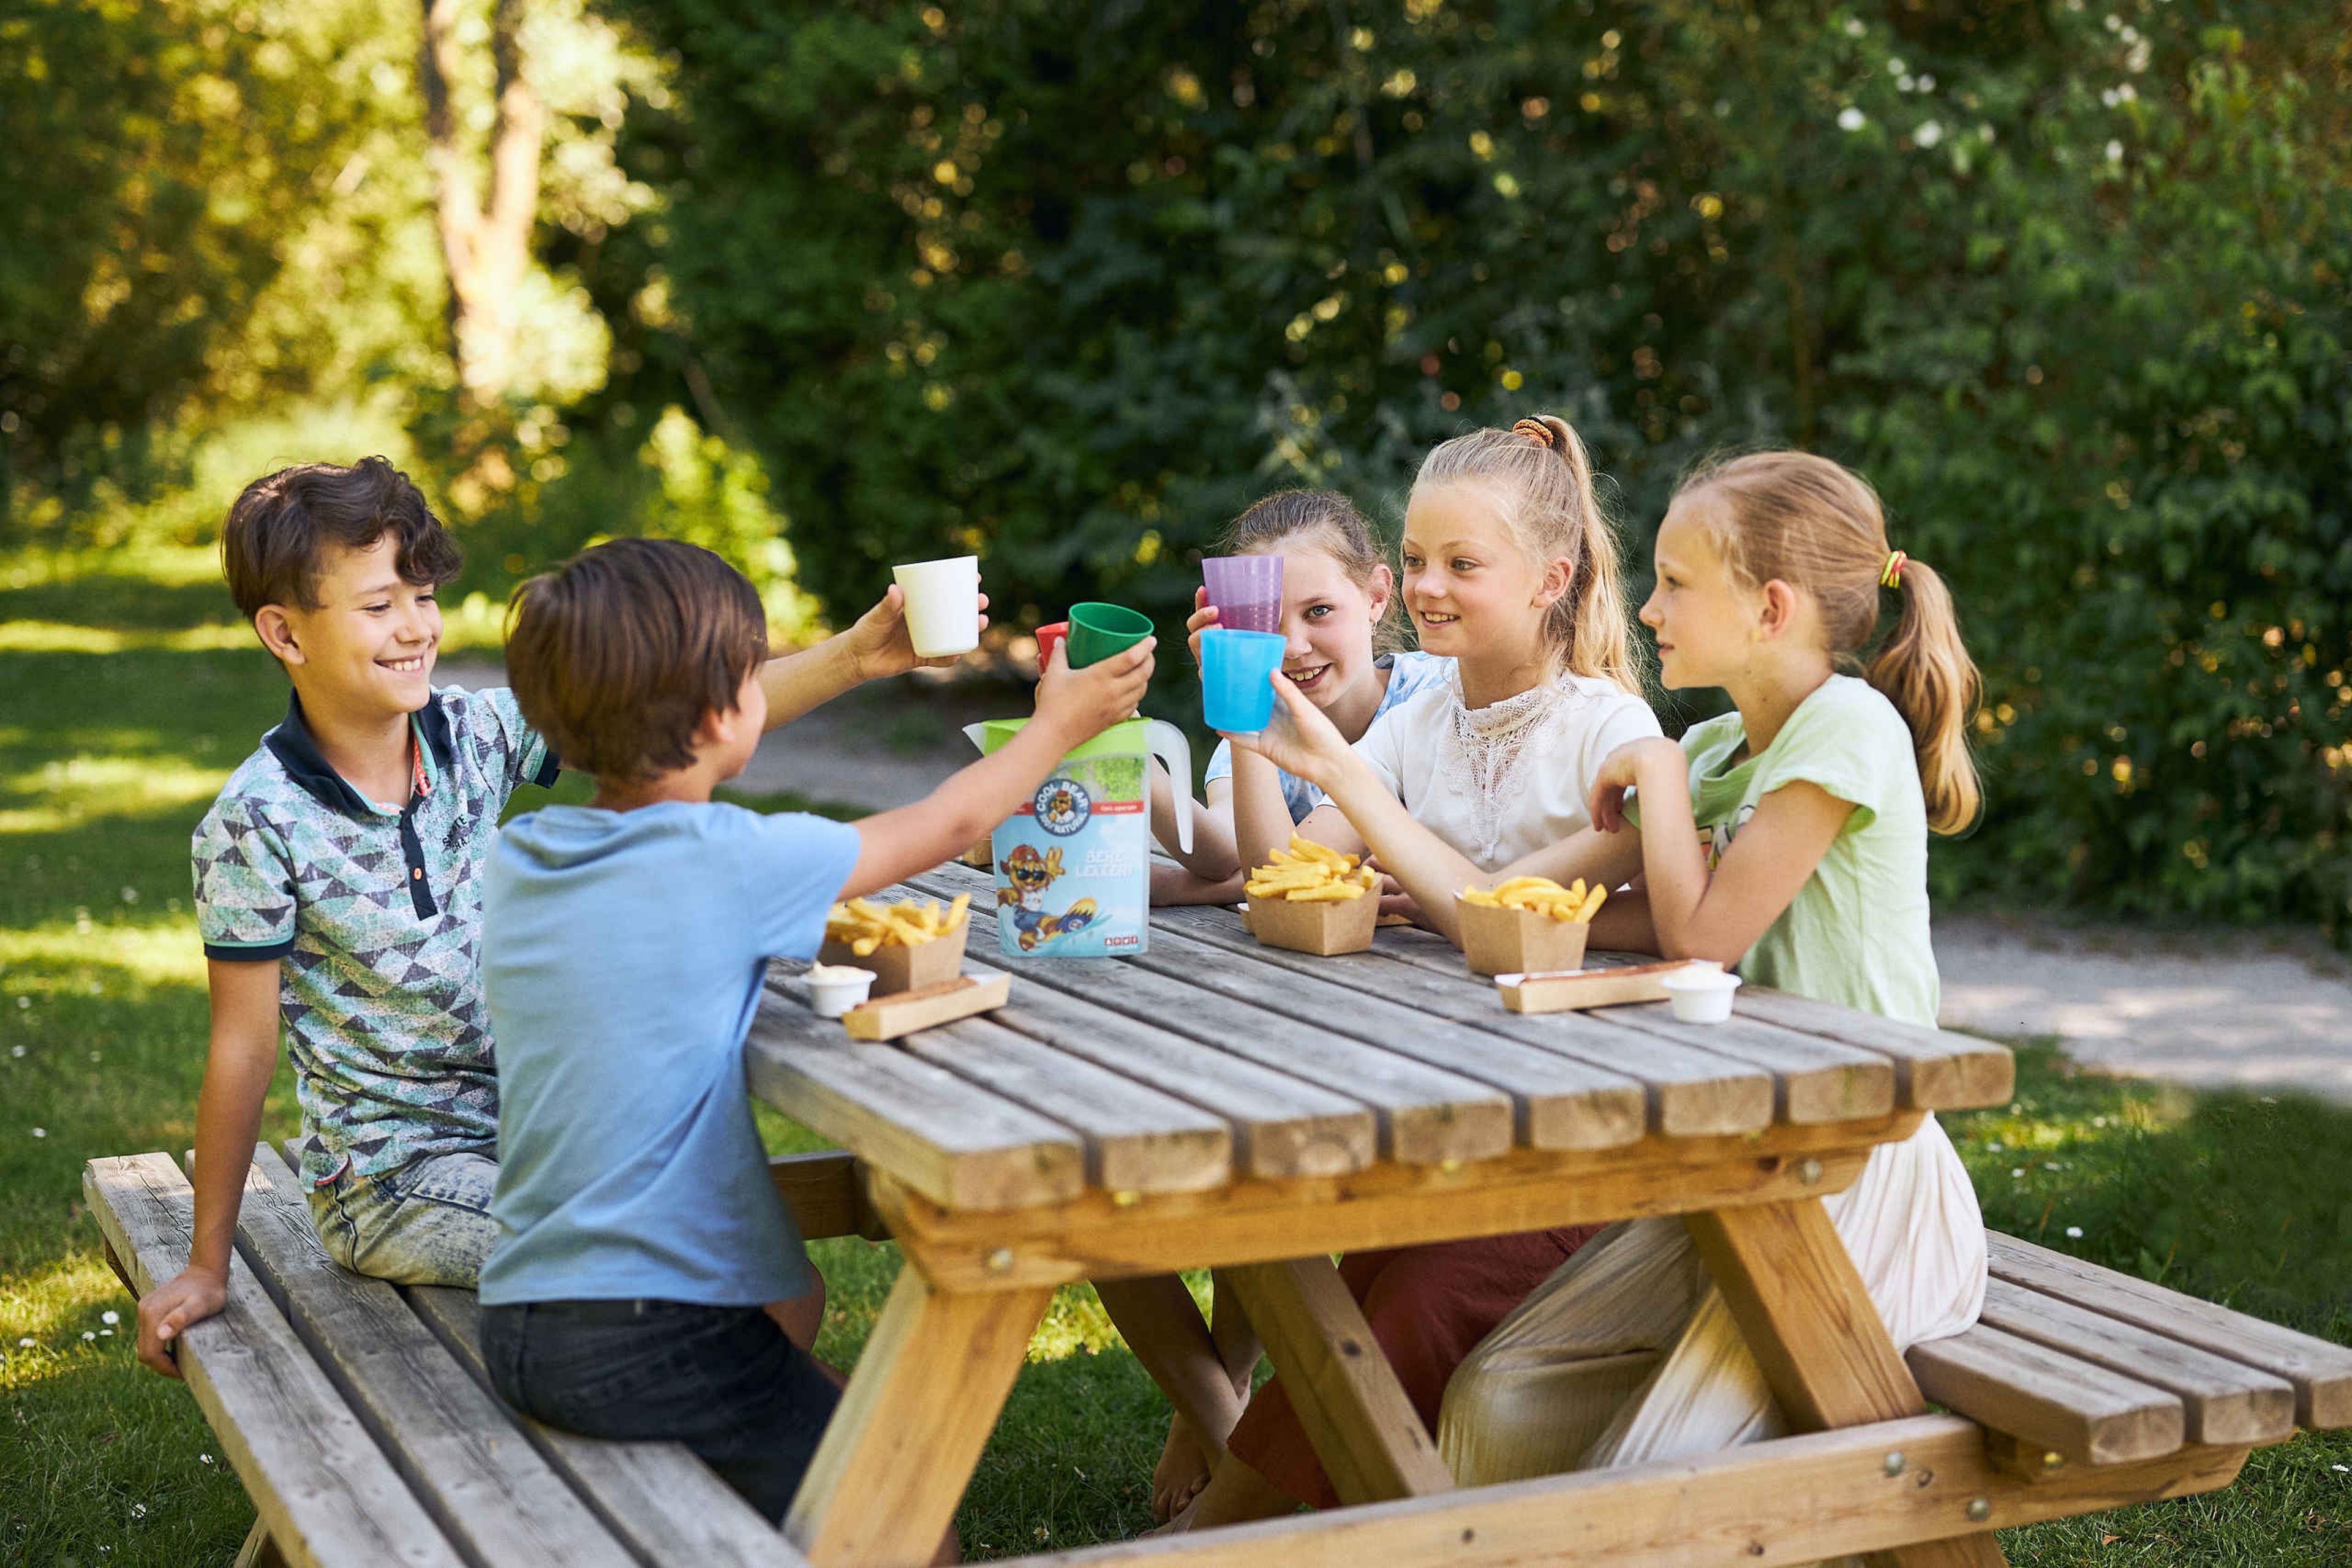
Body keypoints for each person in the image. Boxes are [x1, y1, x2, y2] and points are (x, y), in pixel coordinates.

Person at [135, 457, 987, 1378]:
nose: (416, 627)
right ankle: (796, 1473)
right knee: (683, 1287)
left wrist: (860, 656)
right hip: (394, 1181)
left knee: (785, 1286)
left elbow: (673, 717)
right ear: (285, 633)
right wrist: (205, 1266)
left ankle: (729, 1477)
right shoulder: (255, 822)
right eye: (379, 606)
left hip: (539, 1126)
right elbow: (243, 1050)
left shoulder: (467, 736)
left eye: (422, 596)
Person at [473, 538, 1150, 1539]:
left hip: (525, 1309)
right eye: (753, 675)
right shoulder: (728, 862)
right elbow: (951, 818)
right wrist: (1058, 727)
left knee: (797, 1319)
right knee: (903, 1511)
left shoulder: (524, 855)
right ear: (720, 718)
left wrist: (851, 656)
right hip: (641, 1329)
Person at [1435, 451, 1988, 1487]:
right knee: (1493, 1400)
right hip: (1743, 1162)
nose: (1647, 611)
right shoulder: (1722, 746)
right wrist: (1533, 903)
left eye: (1675, 583)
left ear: (1771, 608)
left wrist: (1648, 769)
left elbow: (1702, 939)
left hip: (1864, 1168)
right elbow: (1550, 901)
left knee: (1646, 1489)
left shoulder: (1848, 728)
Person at [1158, 415, 1660, 1530]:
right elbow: (1285, 872)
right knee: (1348, 1295)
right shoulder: (1419, 720)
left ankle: (1214, 1538)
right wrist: (1246, 717)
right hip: (1452, 1115)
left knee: (1405, 1316)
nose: (1430, 588)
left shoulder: (1608, 733)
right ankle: (1307, 1523)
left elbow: (1496, 928)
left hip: (1591, 1136)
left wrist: (1353, 785)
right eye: (1421, 559)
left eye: (1462, 566)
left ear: (1552, 582)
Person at [1148, 489, 1452, 907]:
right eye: (1265, 623)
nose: (1292, 646)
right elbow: (1227, 854)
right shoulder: (1260, 731)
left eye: (1319, 611)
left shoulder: (1436, 693)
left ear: (1376, 597)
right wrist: (1136, 758)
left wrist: (1175, 888)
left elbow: (1268, 877)